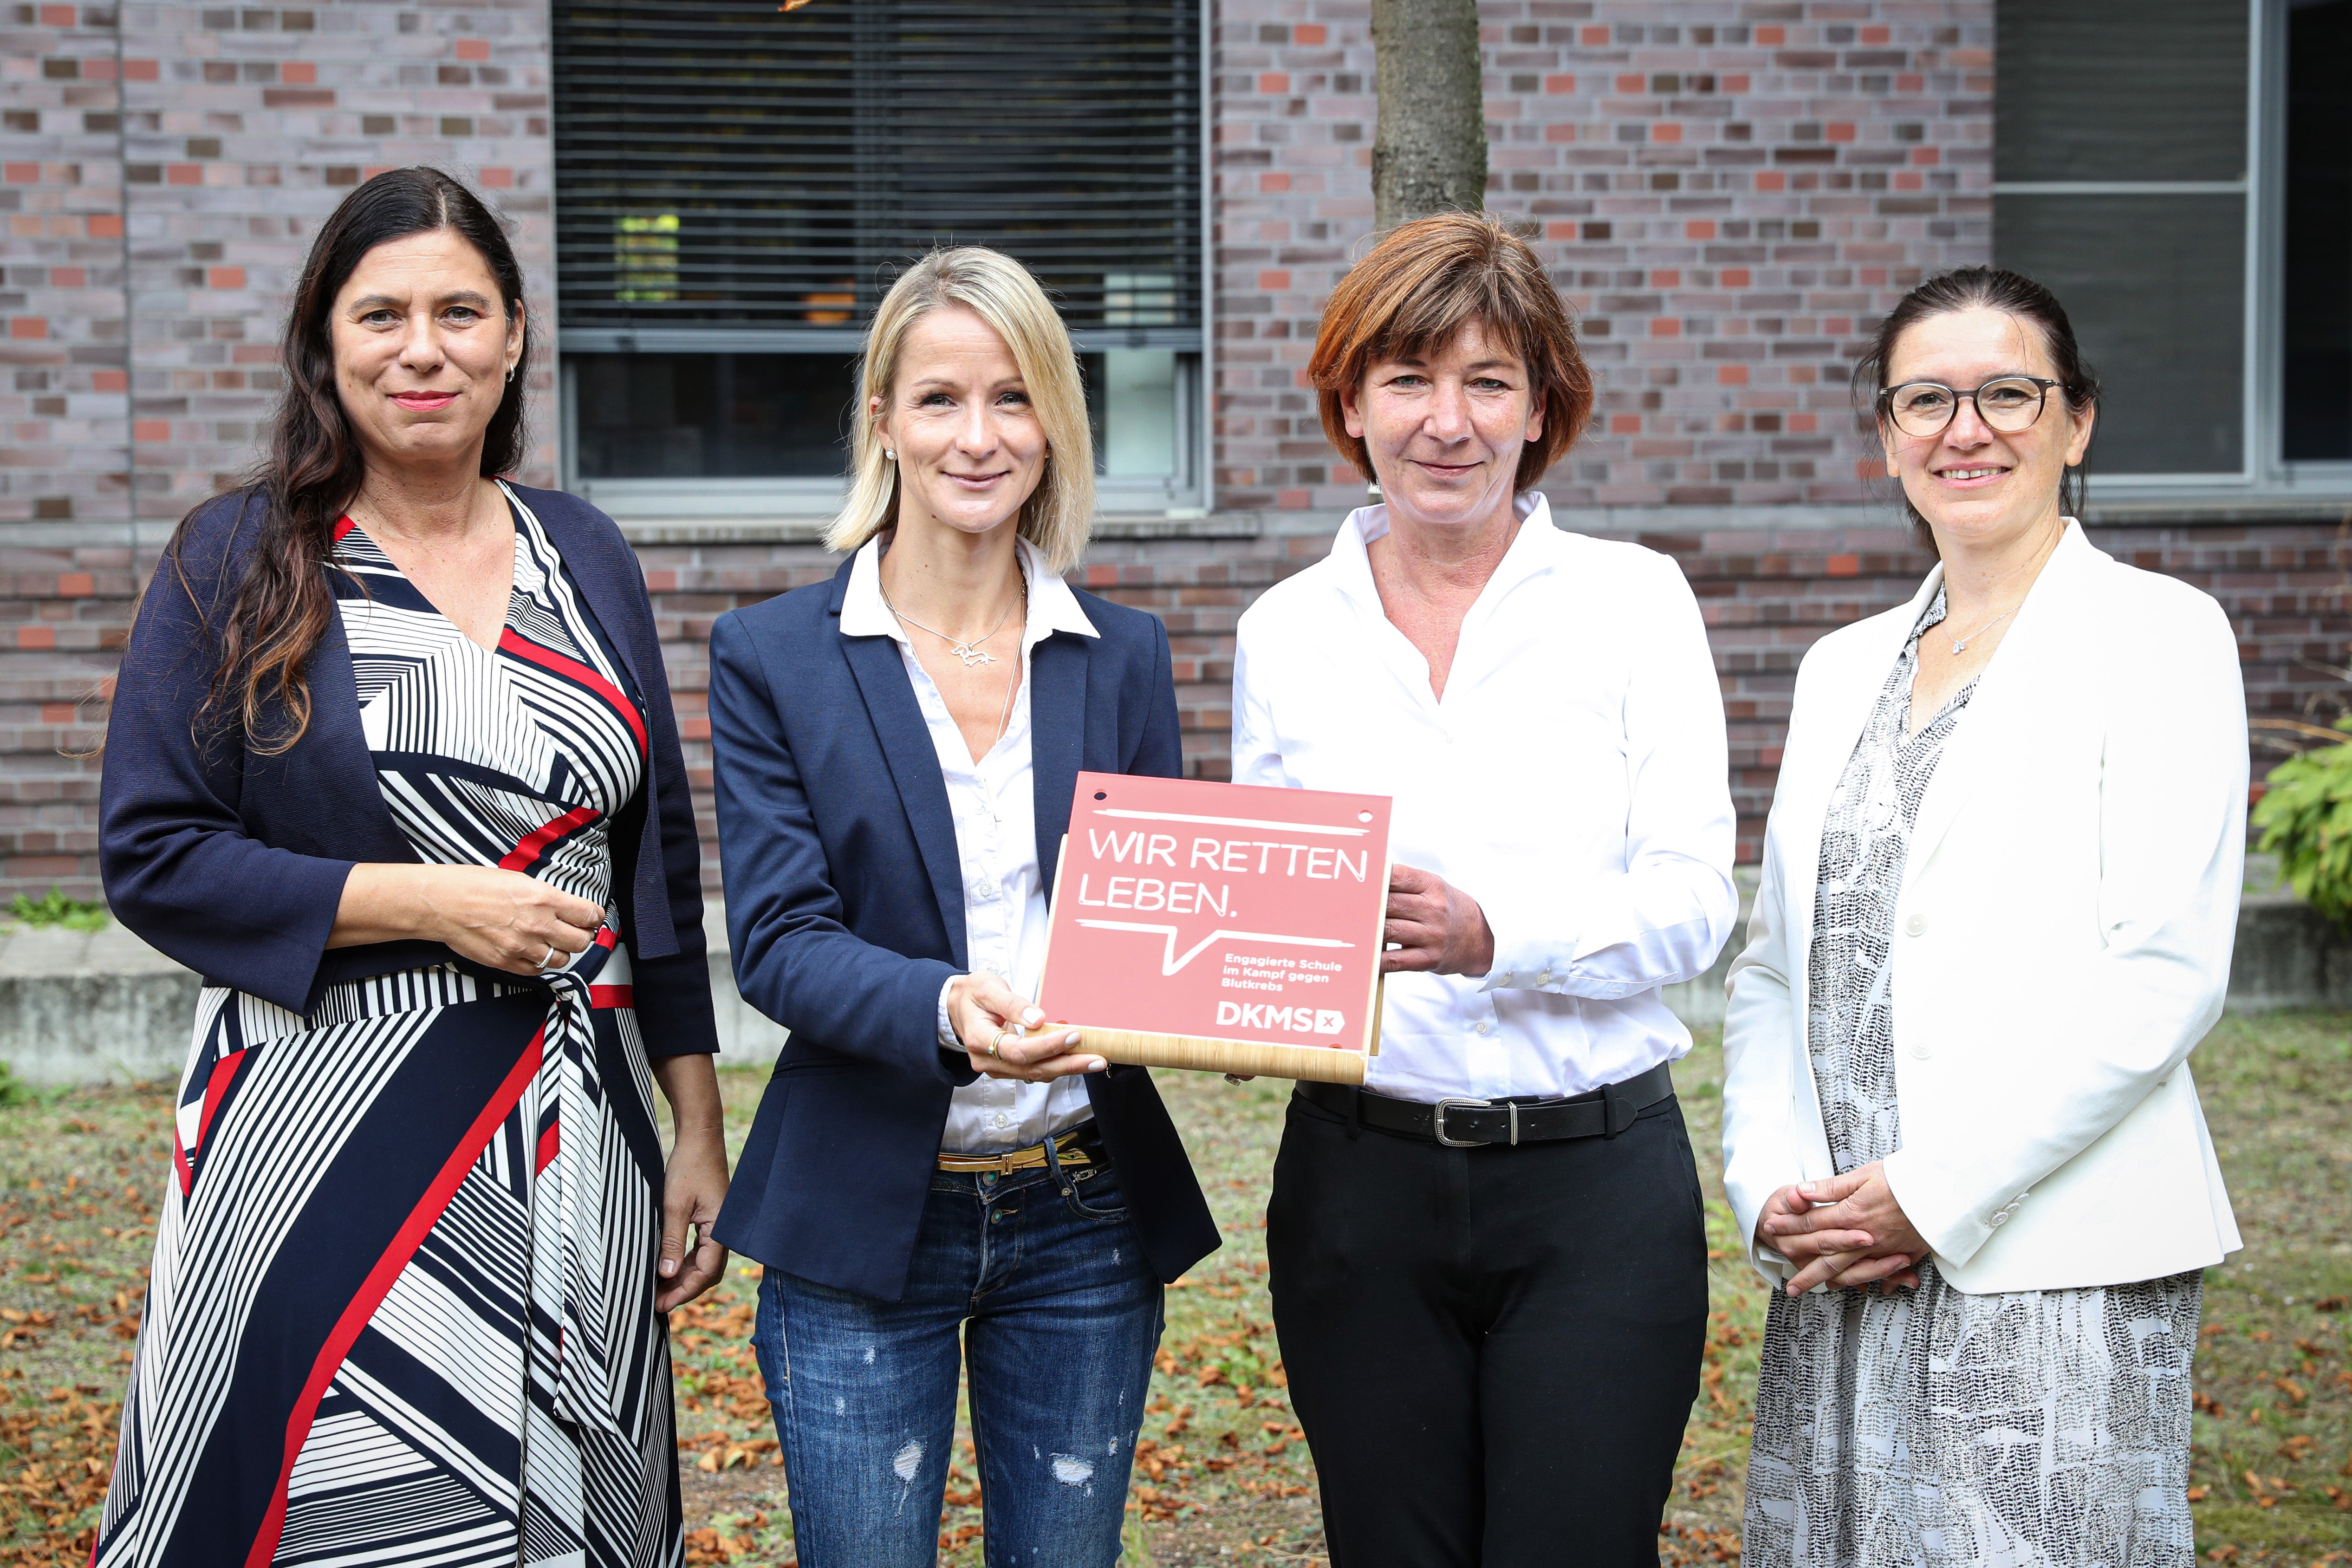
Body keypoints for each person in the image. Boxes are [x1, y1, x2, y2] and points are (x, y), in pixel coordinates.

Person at [95, 168, 728, 1566]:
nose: (421, 346)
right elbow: (152, 852)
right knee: (344, 1500)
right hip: (329, 1132)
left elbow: (655, 865)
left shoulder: (585, 551)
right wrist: (424, 900)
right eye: (380, 313)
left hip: (585, 1129)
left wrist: (694, 1119)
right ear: (327, 342)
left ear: (512, 335)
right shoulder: (241, 553)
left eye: (458, 309)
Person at [1229, 211, 1738, 1567]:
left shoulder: (1635, 603)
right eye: (1406, 379)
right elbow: (1270, 916)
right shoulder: (1281, 632)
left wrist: (1492, 934)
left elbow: (1696, 903)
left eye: (1486, 381)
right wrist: (1226, 1000)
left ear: (1539, 406)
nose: (1444, 422)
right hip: (1357, 1182)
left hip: (1595, 1186)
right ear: (1350, 400)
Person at [1721, 267, 2246, 1567]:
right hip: (1842, 1264)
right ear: (1887, 435)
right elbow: (1775, 970)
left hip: (2048, 1256)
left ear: (2075, 422)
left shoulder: (2161, 635)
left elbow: (2163, 975)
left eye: (2007, 392)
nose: (1967, 428)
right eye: (1925, 399)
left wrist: (1928, 1191)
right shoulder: (1838, 667)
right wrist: (1772, 1192)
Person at [706, 246, 1219, 1568]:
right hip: (865, 1207)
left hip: (1082, 1217)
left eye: (1012, 397)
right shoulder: (773, 656)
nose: (975, 437)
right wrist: (947, 1009)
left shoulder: (1125, 654)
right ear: (880, 418)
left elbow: (1161, 918)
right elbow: (777, 937)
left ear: (1053, 421)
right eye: (937, 399)